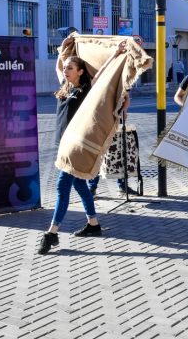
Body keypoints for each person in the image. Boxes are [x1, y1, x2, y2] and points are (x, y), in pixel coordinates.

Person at [38, 40, 127, 255]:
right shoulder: (65, 87)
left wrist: (115, 53)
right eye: (66, 67)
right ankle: (93, 224)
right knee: (79, 186)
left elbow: (102, 75)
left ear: (79, 72)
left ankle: (52, 233)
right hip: (62, 143)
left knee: (62, 186)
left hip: (76, 146)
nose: (66, 70)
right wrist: (62, 50)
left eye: (71, 67)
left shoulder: (87, 89)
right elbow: (58, 66)